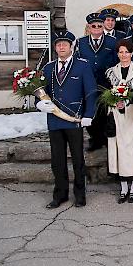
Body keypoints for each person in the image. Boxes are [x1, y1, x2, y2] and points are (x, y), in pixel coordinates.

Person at [38, 31, 96, 208]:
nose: (61, 47)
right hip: (54, 119)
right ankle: (60, 194)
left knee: (78, 158)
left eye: (65, 44)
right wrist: (39, 104)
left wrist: (88, 114)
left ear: (72, 46)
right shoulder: (48, 68)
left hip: (74, 119)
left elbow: (91, 92)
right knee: (57, 159)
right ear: (55, 48)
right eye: (58, 44)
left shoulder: (82, 66)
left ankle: (80, 195)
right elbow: (40, 90)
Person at [104, 39, 133, 204]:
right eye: (121, 52)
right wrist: (114, 100)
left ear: (132, 53)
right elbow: (106, 93)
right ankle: (123, 188)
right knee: (119, 149)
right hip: (116, 114)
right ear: (117, 54)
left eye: (127, 52)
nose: (124, 55)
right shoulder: (111, 72)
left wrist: (128, 100)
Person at [75, 12, 117, 151]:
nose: (97, 28)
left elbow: (116, 61)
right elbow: (77, 61)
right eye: (94, 26)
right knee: (90, 111)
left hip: (106, 82)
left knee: (104, 111)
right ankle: (94, 138)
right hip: (88, 83)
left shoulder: (112, 42)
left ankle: (104, 138)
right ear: (89, 27)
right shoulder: (81, 42)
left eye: (100, 25)